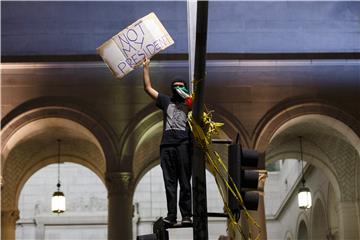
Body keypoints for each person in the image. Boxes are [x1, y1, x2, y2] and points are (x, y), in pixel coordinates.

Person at [143, 58, 192, 225]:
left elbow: (199, 104)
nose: (177, 89)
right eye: (175, 86)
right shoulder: (166, 101)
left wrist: (187, 96)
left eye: (181, 86)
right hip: (167, 146)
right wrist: (146, 68)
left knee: (185, 181)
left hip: (183, 144)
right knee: (170, 182)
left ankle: (186, 215)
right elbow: (148, 88)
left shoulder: (190, 103)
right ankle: (171, 216)